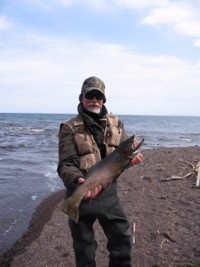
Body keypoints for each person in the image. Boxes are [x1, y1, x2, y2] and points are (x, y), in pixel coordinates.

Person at [57, 76, 143, 267]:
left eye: (99, 96)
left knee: (122, 239)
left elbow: (121, 158)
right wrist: (78, 180)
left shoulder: (117, 124)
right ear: (81, 98)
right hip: (80, 192)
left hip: (109, 194)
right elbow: (65, 164)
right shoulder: (69, 128)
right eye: (90, 96)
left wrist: (132, 160)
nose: (94, 100)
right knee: (84, 248)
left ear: (104, 100)